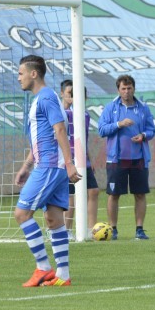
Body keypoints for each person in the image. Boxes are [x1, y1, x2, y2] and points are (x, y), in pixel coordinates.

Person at [13, 55, 81, 287]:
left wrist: (70, 163)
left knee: (22, 214)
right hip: (52, 165)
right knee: (53, 219)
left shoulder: (46, 98)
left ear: (34, 74)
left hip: (51, 166)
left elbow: (60, 129)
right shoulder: (43, 98)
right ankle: (63, 274)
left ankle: (43, 267)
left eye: (21, 73)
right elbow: (42, 138)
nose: (18, 77)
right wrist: (26, 166)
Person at [98, 74, 155, 240]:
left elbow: (152, 130)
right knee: (114, 194)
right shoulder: (111, 108)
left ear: (134, 89)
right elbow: (101, 130)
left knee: (140, 194)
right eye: (123, 88)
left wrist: (143, 135)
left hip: (139, 159)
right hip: (116, 159)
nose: (127, 91)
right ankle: (113, 229)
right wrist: (119, 124)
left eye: (129, 88)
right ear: (118, 90)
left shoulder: (143, 108)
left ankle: (139, 229)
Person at [59, 79, 99, 241]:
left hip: (82, 159)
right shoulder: (60, 114)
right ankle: (66, 230)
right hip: (66, 160)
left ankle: (91, 229)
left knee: (93, 191)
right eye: (71, 94)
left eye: (79, 95)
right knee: (70, 195)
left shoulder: (83, 114)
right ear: (62, 94)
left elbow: (82, 138)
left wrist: (88, 157)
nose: (75, 97)